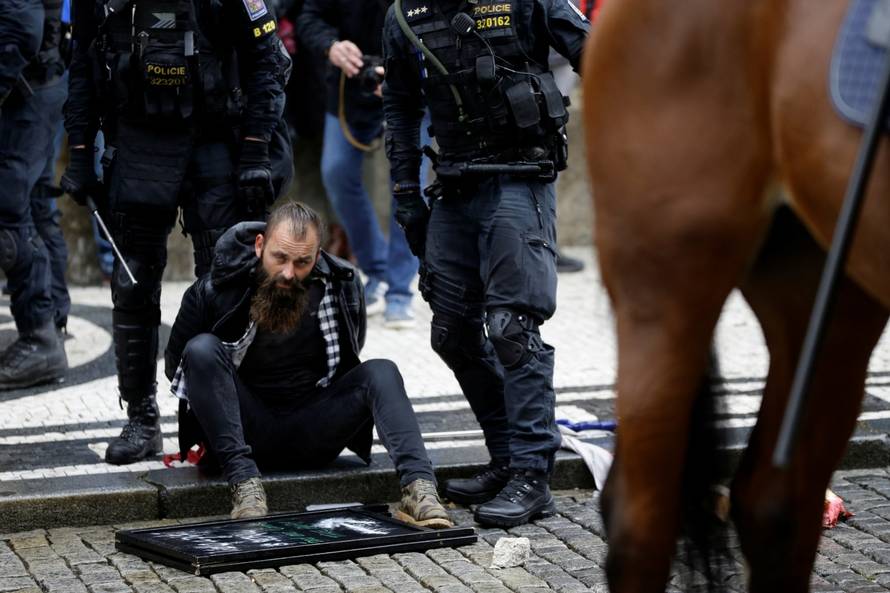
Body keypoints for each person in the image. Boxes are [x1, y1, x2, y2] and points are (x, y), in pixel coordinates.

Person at [382, 0, 589, 527]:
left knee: (512, 329)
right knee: (451, 332)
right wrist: (406, 193)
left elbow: (596, 53)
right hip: (453, 184)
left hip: (521, 176)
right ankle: (507, 458)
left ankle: (532, 476)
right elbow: (402, 107)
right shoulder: (405, 15)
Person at [62, 0, 293, 465]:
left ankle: (217, 418)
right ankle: (142, 419)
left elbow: (267, 60)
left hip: (215, 141)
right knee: (132, 285)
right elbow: (84, 68)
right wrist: (81, 153)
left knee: (225, 284)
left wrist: (254, 152)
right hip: (137, 140)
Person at [165, 202, 454, 526]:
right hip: (243, 431)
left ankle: (420, 489)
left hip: (315, 430)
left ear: (316, 257)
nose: (289, 272)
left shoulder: (341, 283)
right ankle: (245, 487)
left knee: (381, 371)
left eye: (302, 262)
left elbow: (351, 347)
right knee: (201, 349)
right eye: (280, 258)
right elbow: (179, 365)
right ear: (260, 246)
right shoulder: (214, 289)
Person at [296, 0, 427, 328]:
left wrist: (403, 66)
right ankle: (376, 271)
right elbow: (310, 17)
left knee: (410, 183)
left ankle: (400, 290)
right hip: (349, 84)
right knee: (336, 172)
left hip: (413, 83)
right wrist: (332, 47)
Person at [0, 0, 70, 389]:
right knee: (36, 207)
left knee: (10, 215)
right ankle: (51, 324)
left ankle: (40, 337)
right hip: (36, 83)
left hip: (28, 88)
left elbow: (21, 27)